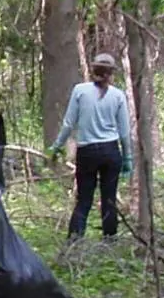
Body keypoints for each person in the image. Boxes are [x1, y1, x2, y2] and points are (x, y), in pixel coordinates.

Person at [46, 52, 134, 241]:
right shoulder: (118, 96)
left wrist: (57, 146)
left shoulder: (80, 91)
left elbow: (69, 124)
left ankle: (74, 242)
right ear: (111, 74)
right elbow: (124, 132)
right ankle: (110, 242)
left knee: (84, 199)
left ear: (93, 70)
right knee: (109, 199)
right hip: (111, 151)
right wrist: (127, 157)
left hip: (87, 152)